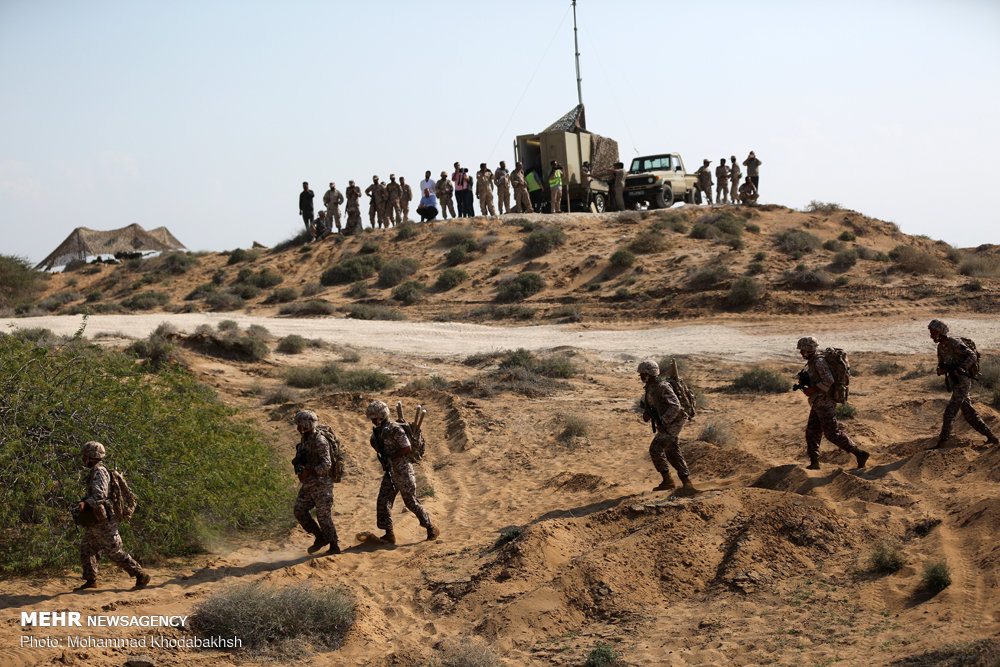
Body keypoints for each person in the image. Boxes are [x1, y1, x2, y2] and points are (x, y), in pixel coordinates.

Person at [74, 441, 150, 591]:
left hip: (104, 520)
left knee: (113, 550)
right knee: (87, 548)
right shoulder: (95, 471)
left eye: (85, 455)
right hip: (95, 519)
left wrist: (84, 504)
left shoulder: (100, 472)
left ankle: (140, 574)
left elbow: (100, 496)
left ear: (92, 456)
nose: (83, 459)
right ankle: (91, 580)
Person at [366, 400, 440, 544]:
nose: (373, 421)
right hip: (390, 472)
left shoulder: (394, 428)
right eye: (371, 419)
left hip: (403, 470)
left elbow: (406, 448)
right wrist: (383, 455)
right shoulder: (379, 430)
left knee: (411, 502)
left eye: (374, 418)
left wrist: (390, 457)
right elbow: (373, 441)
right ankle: (389, 533)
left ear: (381, 415)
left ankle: (430, 527)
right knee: (383, 501)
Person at [795, 337, 870, 470]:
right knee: (812, 432)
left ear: (808, 350)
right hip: (818, 402)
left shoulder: (819, 361)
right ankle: (814, 462)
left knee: (832, 434)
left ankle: (859, 453)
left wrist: (813, 389)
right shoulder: (812, 362)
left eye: (802, 350)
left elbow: (828, 380)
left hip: (824, 402)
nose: (801, 353)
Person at [928, 319, 998, 448]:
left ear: (940, 332)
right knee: (969, 413)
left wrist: (962, 368)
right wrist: (940, 370)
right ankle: (991, 437)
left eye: (933, 332)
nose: (931, 335)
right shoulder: (940, 347)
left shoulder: (955, 342)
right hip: (955, 382)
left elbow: (972, 355)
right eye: (931, 332)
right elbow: (941, 363)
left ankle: (942, 442)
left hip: (963, 381)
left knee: (950, 411)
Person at [637, 360, 695, 493]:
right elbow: (656, 405)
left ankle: (668, 481)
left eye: (642, 374)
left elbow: (675, 406)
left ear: (649, 374)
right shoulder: (650, 387)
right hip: (668, 422)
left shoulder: (662, 386)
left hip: (675, 421)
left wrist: (663, 421)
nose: (640, 376)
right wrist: (648, 414)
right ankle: (687, 482)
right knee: (671, 451)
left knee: (655, 448)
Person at [292, 410, 342, 555]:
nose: (297, 428)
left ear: (307, 425)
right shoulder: (305, 438)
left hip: (321, 484)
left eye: (300, 425)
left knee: (323, 516)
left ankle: (334, 545)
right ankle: (320, 537)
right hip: (309, 484)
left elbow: (327, 465)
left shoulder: (320, 441)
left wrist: (311, 471)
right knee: (299, 511)